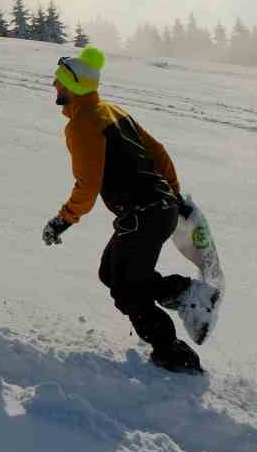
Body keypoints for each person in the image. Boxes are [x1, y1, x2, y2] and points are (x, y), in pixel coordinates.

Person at [40, 46, 202, 373]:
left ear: (75, 86)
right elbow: (158, 152)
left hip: (142, 215)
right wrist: (174, 194)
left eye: (59, 81)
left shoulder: (84, 124)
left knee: (126, 288)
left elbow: (87, 184)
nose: (54, 86)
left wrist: (63, 220)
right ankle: (182, 292)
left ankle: (172, 353)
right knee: (111, 272)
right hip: (156, 209)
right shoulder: (111, 111)